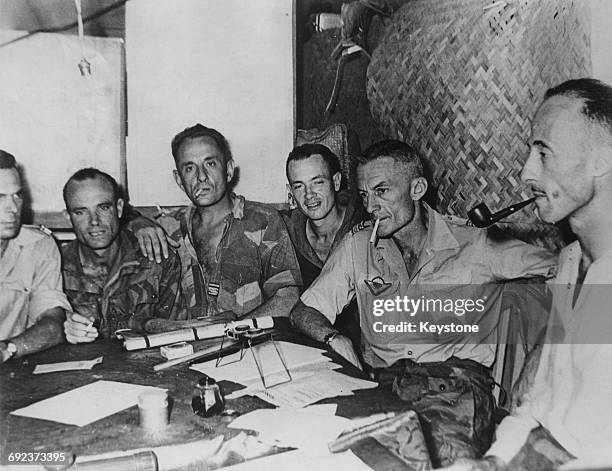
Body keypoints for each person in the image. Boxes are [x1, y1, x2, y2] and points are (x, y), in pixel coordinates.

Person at [290, 139, 557, 466]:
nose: (371, 205)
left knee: (433, 460)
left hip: (453, 388)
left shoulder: (474, 244)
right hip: (380, 384)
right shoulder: (359, 246)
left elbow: (577, 273)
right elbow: (304, 311)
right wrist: (334, 337)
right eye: (364, 194)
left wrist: (543, 346)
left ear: (416, 189)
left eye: (382, 191)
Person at [443, 79, 612, 470]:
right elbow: (539, 407)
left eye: (544, 152)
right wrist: (495, 462)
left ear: (601, 161)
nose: (525, 171)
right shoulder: (570, 264)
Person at [133, 124, 301, 328]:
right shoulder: (166, 230)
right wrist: (135, 221)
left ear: (228, 170)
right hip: (180, 351)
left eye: (210, 164)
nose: (201, 176)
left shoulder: (263, 221)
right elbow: (136, 314)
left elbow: (287, 297)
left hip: (247, 347)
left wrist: (232, 329)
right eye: (189, 168)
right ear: (178, 179)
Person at [61, 168, 182, 343]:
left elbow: (174, 335)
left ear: (118, 208)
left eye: (103, 208)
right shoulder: (54, 267)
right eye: (81, 212)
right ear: (68, 217)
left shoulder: (156, 259)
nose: (94, 221)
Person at [281, 143, 366, 348]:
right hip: (309, 344)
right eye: (299, 186)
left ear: (336, 182)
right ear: (290, 191)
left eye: (317, 182)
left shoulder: (364, 223)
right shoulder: (287, 229)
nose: (309, 195)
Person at [0, 150, 70, 362]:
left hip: (12, 370)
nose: (13, 208)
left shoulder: (39, 246)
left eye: (17, 195)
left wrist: (8, 349)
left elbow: (54, 324)